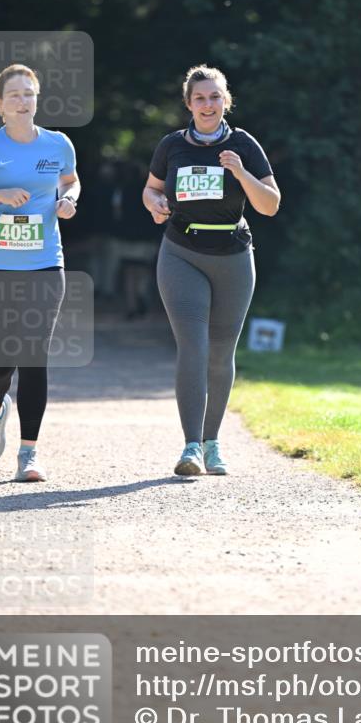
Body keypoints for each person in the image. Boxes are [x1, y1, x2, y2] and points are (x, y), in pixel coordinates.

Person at [143, 64, 280, 476]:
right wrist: (153, 202)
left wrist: (239, 170)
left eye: (215, 97)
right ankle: (190, 448)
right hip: (181, 252)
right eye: (200, 98)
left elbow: (270, 204)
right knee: (194, 346)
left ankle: (212, 442)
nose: (208, 104)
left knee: (220, 354)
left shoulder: (244, 144)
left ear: (226, 101)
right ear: (189, 104)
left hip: (234, 257)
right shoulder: (171, 145)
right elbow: (151, 187)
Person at [0, 63, 80, 482]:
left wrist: (68, 201)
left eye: (29, 93)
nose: (23, 101)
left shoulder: (58, 143)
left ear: (37, 98)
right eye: (14, 95)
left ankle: (29, 453)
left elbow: (72, 181)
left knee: (34, 356)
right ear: (0, 105)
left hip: (45, 263)